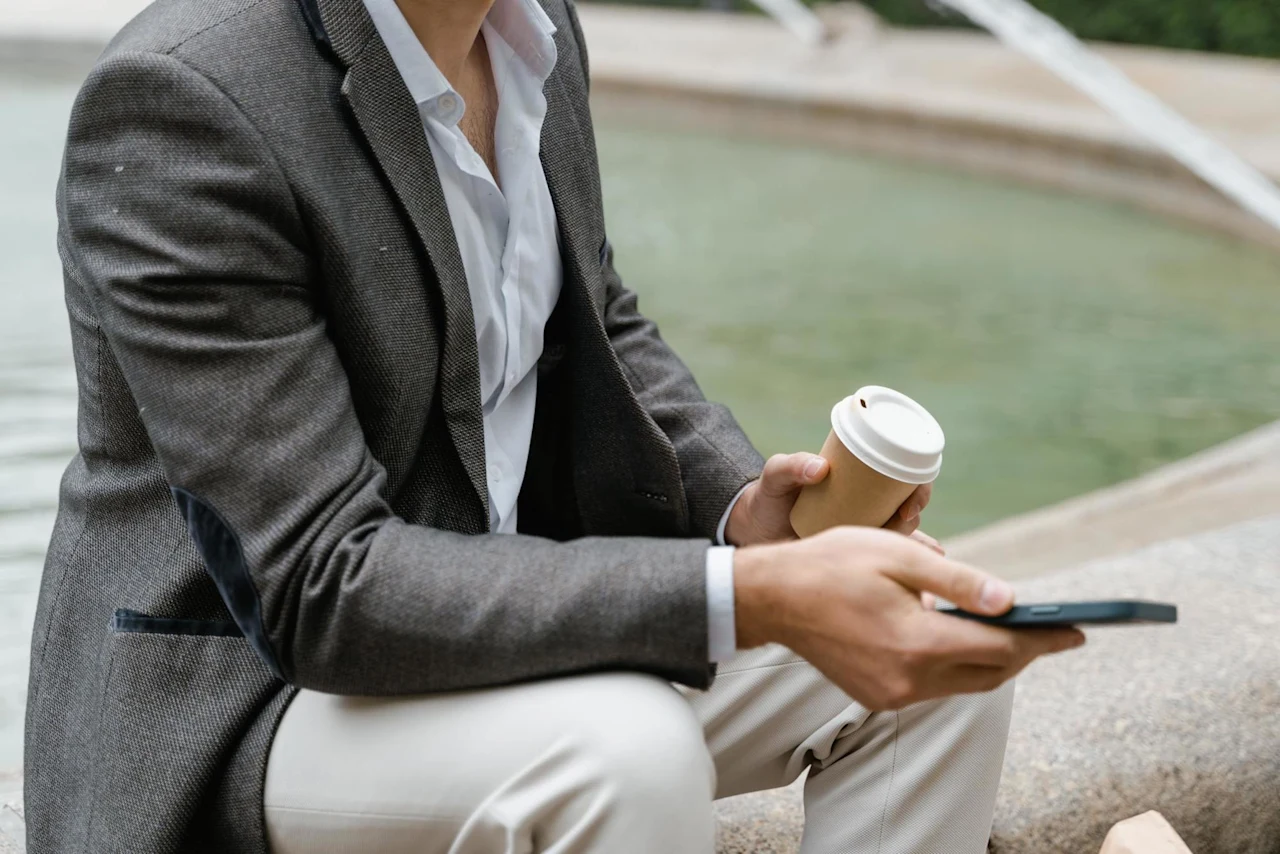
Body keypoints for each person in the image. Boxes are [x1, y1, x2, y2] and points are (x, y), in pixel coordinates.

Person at [26, 0, 1085, 851]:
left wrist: (742, 516)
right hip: (250, 699)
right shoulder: (186, 100)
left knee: (937, 667)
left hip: (498, 611)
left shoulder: (533, 30)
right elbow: (315, 583)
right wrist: (742, 593)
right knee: (625, 751)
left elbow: (598, 322)